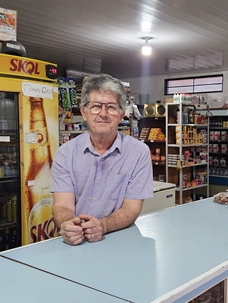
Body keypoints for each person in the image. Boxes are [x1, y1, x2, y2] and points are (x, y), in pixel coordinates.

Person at [51, 74, 153, 245]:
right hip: (76, 242)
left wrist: (103, 226)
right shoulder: (65, 153)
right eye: (96, 106)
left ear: (121, 114)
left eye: (112, 107)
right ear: (84, 112)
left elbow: (131, 208)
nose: (103, 114)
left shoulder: (139, 153)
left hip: (119, 241)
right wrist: (68, 224)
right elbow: (62, 206)